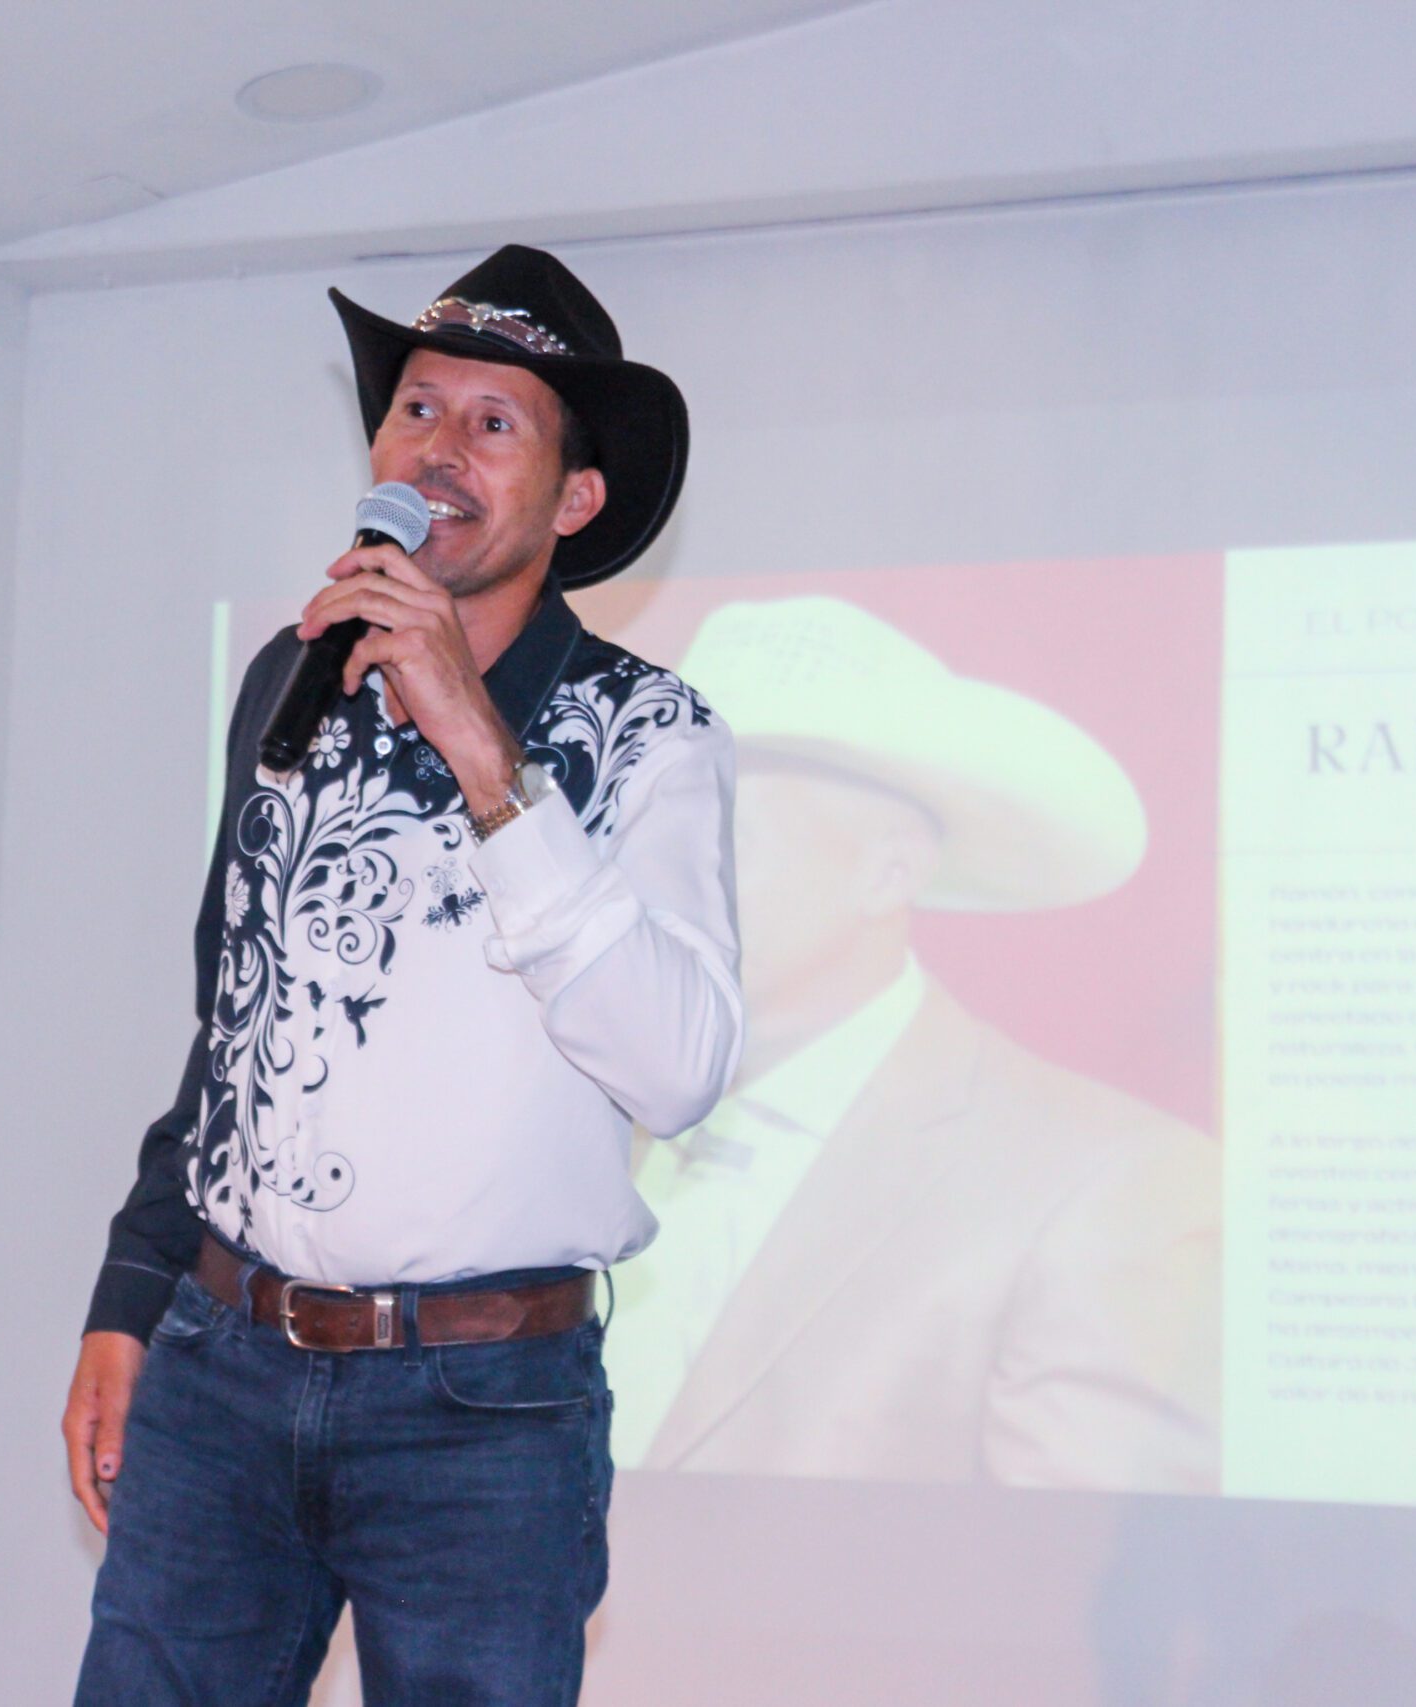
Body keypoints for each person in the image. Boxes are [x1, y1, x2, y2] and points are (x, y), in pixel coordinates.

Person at [62, 245, 742, 1705]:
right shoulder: (288, 678)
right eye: (417, 409)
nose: (439, 448)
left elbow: (680, 1068)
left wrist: (481, 746)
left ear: (574, 500)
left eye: (494, 424)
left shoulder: (651, 731)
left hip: (480, 1409)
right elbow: (233, 1027)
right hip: (217, 1362)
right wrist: (130, 1292)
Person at [604, 596, 1220, 1492]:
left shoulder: (1107, 1185)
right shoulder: (562, 1123)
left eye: (725, 841)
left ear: (888, 871)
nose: (659, 883)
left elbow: (1073, 1570)